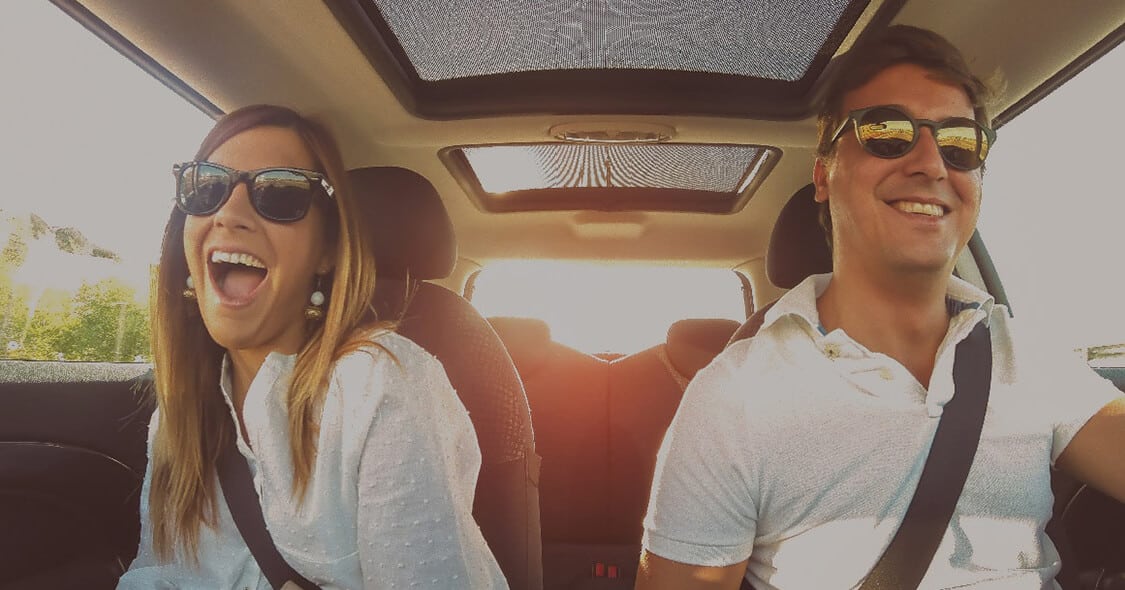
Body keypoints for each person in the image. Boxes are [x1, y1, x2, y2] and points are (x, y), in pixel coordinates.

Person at [635, 26, 1125, 590]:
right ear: (823, 174)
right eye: (886, 132)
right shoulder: (737, 397)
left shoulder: (1024, 356)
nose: (931, 163)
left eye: (960, 142)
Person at [118, 104, 508, 589]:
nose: (230, 214)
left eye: (281, 194)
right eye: (208, 187)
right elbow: (156, 575)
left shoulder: (381, 386)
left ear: (326, 252)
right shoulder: (174, 418)